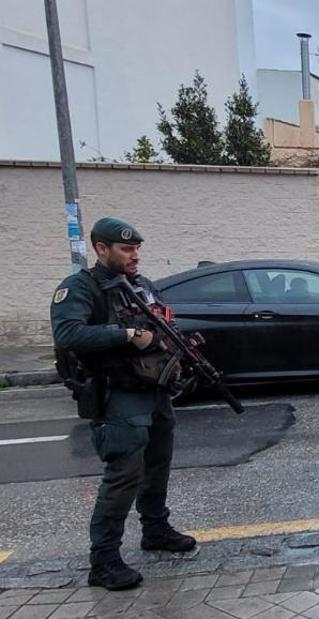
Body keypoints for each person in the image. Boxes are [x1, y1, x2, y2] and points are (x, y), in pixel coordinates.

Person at [50, 218, 197, 590]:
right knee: (123, 476)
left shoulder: (140, 287)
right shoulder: (81, 288)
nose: (135, 256)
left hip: (154, 389)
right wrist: (128, 334)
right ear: (101, 249)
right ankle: (103, 561)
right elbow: (69, 333)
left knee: (157, 465)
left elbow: (163, 324)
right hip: (117, 395)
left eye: (136, 250)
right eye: (126, 249)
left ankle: (156, 529)